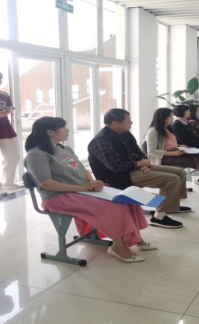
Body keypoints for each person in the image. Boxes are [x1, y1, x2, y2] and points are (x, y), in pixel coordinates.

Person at [24, 117, 154, 263]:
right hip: (58, 197)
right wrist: (82, 187)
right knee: (112, 206)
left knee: (126, 199)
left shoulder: (64, 149)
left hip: (80, 190)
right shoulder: (36, 155)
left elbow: (82, 168)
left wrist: (92, 182)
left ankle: (135, 238)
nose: (67, 130)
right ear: (50, 132)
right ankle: (118, 246)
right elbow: (46, 184)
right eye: (64, 127)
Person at [88, 109, 188, 229]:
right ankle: (159, 217)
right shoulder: (101, 140)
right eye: (128, 120)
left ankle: (171, 206)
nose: (132, 123)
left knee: (180, 173)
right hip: (117, 176)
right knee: (171, 179)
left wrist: (143, 163)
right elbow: (116, 166)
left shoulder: (125, 133)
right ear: (115, 123)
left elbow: (137, 151)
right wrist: (139, 164)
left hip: (133, 167)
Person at [145, 108, 199, 199]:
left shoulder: (168, 128)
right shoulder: (153, 131)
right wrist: (174, 153)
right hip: (164, 157)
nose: (172, 118)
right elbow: (151, 151)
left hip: (176, 151)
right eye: (170, 116)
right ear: (163, 118)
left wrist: (180, 145)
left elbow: (170, 144)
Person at [0, 72, 21, 195]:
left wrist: (6, 111)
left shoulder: (4, 94)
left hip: (6, 128)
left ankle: (9, 183)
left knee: (14, 156)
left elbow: (10, 108)